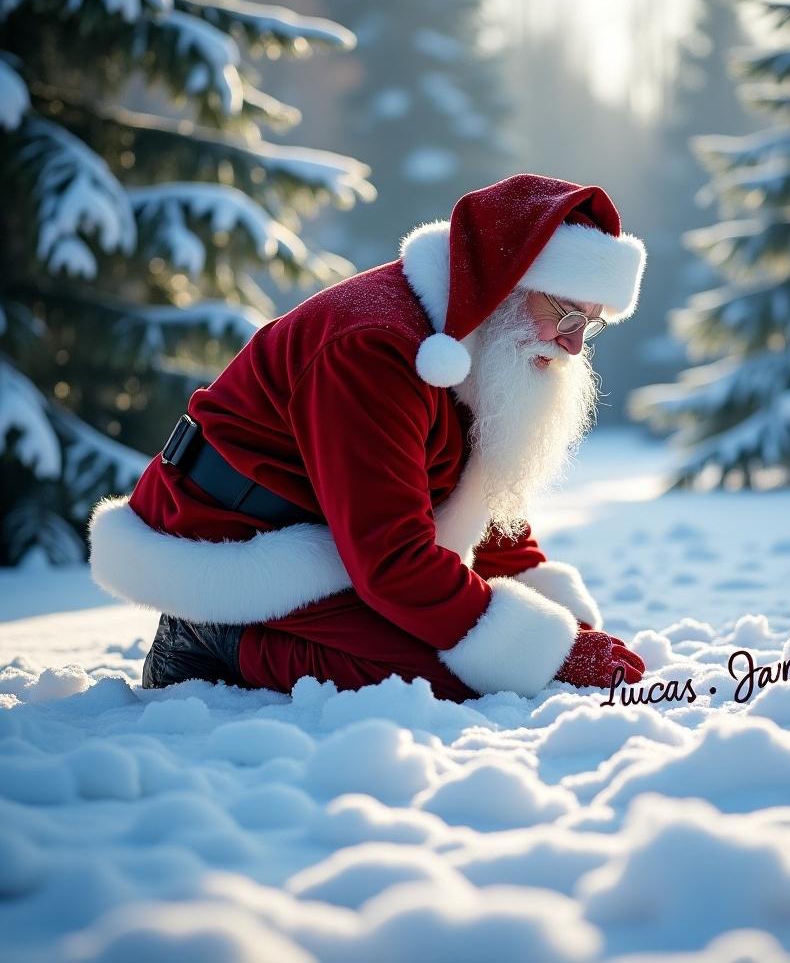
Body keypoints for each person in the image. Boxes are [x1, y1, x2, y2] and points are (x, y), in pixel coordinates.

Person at [88, 173, 648, 702]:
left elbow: (480, 491)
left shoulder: (473, 346)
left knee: (483, 651)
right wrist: (549, 653)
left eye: (588, 324)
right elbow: (392, 560)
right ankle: (214, 639)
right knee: (450, 677)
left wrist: (542, 605)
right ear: (503, 286)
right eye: (565, 314)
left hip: (337, 532)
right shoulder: (375, 347)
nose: (573, 346)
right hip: (233, 544)